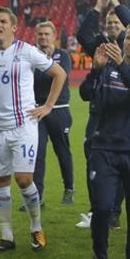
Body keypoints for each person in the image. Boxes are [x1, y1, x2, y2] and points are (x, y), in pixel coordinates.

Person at [0, 8, 66, 252]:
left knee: (23, 179)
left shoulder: (27, 51)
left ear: (14, 27)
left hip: (23, 126)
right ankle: (7, 237)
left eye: (3, 21)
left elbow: (59, 73)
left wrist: (48, 106)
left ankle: (36, 228)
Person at [80, 23, 130, 259]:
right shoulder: (107, 67)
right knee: (101, 209)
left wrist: (121, 64)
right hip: (105, 149)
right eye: (128, 38)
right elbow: (84, 94)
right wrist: (95, 70)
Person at [75, 0, 130, 230]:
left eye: (116, 23)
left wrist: (117, 4)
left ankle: (114, 212)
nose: (112, 26)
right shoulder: (100, 46)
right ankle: (98, 209)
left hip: (123, 112)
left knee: (120, 164)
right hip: (98, 113)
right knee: (93, 159)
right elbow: (83, 35)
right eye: (109, 23)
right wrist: (99, 7)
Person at [31, 21, 75, 210]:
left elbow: (61, 76)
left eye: (47, 34)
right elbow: (30, 79)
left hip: (59, 109)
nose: (43, 37)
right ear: (36, 36)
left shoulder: (62, 55)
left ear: (54, 35)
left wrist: (48, 64)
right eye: (40, 34)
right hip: (37, 111)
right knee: (37, 154)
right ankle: (37, 197)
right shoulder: (31, 56)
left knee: (62, 152)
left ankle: (69, 188)